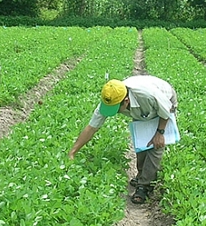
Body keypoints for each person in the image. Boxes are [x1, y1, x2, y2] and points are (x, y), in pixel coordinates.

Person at [68, 75, 178, 204]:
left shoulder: (146, 96)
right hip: (143, 108)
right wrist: (73, 152)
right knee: (142, 142)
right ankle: (142, 176)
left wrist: (160, 132)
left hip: (165, 101)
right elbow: (92, 128)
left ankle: (145, 185)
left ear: (126, 101)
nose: (113, 112)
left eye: (115, 109)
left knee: (156, 145)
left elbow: (166, 111)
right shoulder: (112, 97)